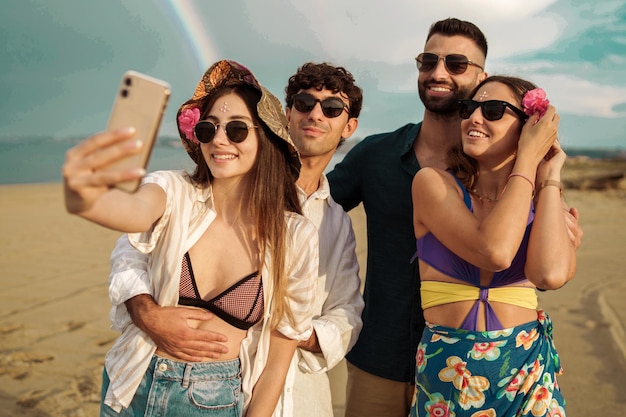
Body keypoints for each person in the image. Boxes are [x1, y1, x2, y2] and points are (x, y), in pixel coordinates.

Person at [327, 17, 583, 417]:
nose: (438, 72)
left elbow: (549, 275)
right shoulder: (381, 159)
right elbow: (304, 211)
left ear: (481, 75)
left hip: (519, 368)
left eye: (457, 64)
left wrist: (546, 179)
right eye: (428, 61)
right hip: (390, 357)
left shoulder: (529, 192)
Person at [62, 60, 319, 417]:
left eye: (237, 130)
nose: (219, 140)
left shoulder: (294, 235)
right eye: (207, 128)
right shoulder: (173, 190)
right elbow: (132, 212)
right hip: (133, 382)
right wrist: (85, 197)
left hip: (212, 399)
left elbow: (280, 352)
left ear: (268, 137)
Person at [107, 62, 365, 416]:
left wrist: (294, 330)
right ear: (285, 116)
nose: (315, 114)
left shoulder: (334, 222)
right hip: (157, 380)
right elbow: (132, 247)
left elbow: (347, 312)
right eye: (304, 103)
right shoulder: (218, 181)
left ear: (348, 126)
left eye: (331, 109)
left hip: (291, 392)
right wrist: (147, 313)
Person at [409, 75, 574, 416]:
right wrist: (527, 159)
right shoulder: (433, 184)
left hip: (529, 371)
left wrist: (550, 175)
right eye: (469, 108)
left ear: (530, 126)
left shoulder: (544, 202)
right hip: (449, 371)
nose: (474, 118)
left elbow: (549, 274)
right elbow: (494, 251)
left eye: (494, 110)